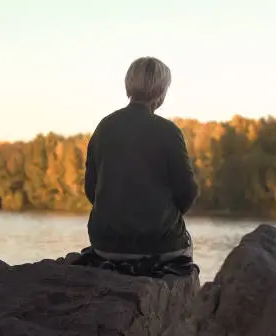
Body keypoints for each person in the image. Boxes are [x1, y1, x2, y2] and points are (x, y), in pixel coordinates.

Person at [83, 56, 199, 264]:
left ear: (129, 85)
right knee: (187, 243)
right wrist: (163, 217)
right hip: (160, 247)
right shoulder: (168, 131)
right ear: (161, 92)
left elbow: (91, 189)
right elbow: (188, 191)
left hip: (106, 246)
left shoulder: (104, 127)